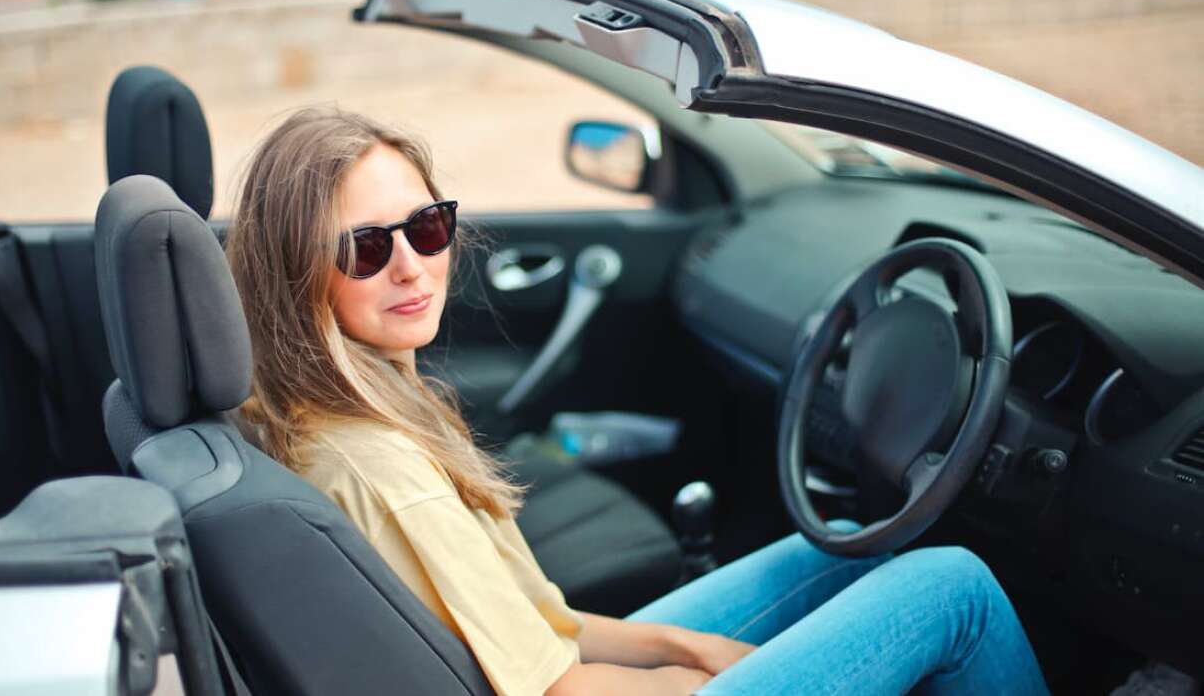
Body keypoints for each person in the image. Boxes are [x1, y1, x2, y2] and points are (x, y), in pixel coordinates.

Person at [224, 106, 1049, 696]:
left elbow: (539, 622)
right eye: (367, 247)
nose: (410, 265)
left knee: (852, 551)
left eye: (427, 227)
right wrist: (692, 679)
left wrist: (683, 645)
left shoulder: (356, 409)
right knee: (952, 589)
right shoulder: (379, 466)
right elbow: (555, 688)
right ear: (296, 277)